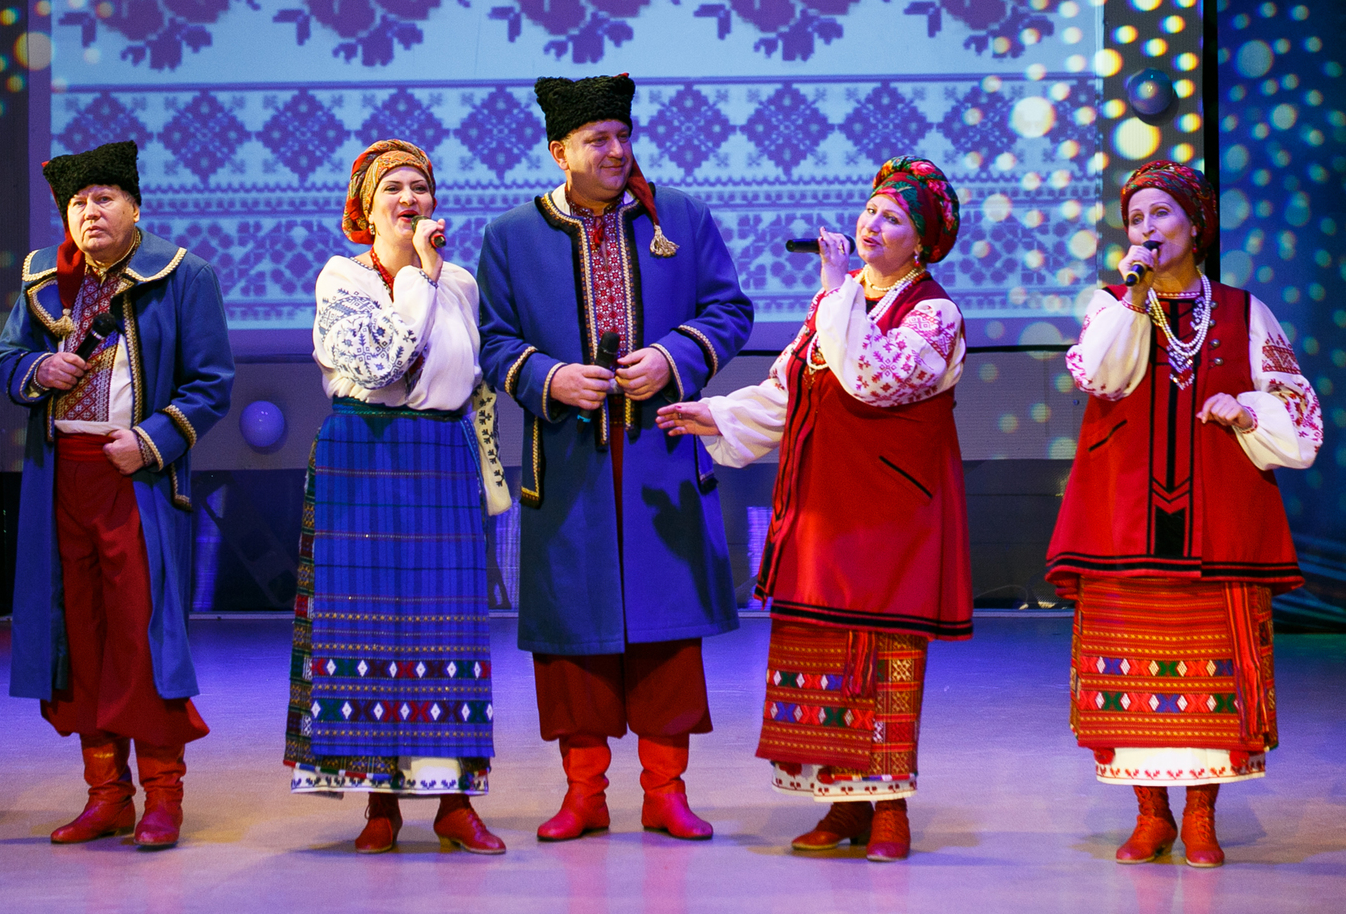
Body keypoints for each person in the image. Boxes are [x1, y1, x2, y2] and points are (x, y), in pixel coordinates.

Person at [659, 156, 971, 862]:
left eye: (893, 218)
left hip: (889, 519)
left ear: (921, 242)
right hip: (823, 511)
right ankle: (841, 802)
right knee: (822, 653)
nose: (872, 225)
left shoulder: (934, 312)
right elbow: (790, 388)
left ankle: (889, 811)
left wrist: (835, 290)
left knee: (883, 659)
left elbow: (870, 378)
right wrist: (715, 414)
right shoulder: (839, 301)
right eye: (871, 211)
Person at [477, 74, 754, 842]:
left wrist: (672, 356)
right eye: (596, 139)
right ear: (558, 150)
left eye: (622, 135)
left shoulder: (681, 218)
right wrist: (549, 377)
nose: (615, 150)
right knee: (574, 639)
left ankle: (666, 792)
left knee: (667, 631)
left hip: (661, 456)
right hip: (568, 464)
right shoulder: (512, 236)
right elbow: (493, 342)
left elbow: (729, 310)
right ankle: (584, 794)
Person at [1046, 161, 1320, 868]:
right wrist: (1134, 296)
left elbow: (1299, 411)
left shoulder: (1244, 311)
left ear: (1196, 227)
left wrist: (1247, 409)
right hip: (1122, 520)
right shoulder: (1111, 304)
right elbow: (1098, 374)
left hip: (1218, 522)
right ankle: (1150, 815)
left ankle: (1201, 815)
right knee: (1131, 677)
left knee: (1213, 678)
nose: (1146, 228)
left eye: (1160, 214)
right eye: (1135, 219)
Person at [0, 140, 234, 850]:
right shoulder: (43, 279)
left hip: (137, 482)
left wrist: (151, 441)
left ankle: (163, 796)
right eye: (78, 202)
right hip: (61, 481)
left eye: (104, 199)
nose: (90, 212)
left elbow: (212, 383)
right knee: (79, 637)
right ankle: (106, 795)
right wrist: (39, 368)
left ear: (134, 206)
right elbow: (8, 359)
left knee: (141, 636)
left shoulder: (184, 275)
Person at [285, 140, 510, 855]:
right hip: (364, 455)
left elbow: (471, 381)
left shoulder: (462, 282)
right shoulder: (342, 277)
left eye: (420, 186)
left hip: (441, 459)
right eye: (394, 189)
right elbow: (380, 361)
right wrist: (419, 275)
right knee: (366, 628)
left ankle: (453, 803)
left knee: (447, 630)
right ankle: (380, 801)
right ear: (367, 206)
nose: (410, 199)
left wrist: (489, 471)